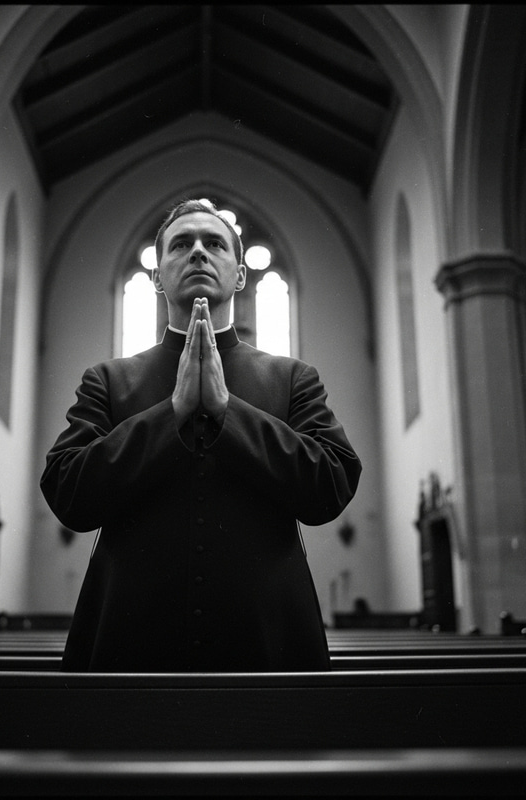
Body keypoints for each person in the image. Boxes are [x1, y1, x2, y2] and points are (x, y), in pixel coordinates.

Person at [41, 198, 362, 672]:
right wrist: (170, 414)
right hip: (130, 642)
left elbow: (332, 486)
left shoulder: (293, 378)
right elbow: (67, 492)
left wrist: (229, 411)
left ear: (239, 274)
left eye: (214, 243)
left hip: (267, 639)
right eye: (180, 245)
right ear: (156, 276)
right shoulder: (108, 381)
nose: (197, 253)